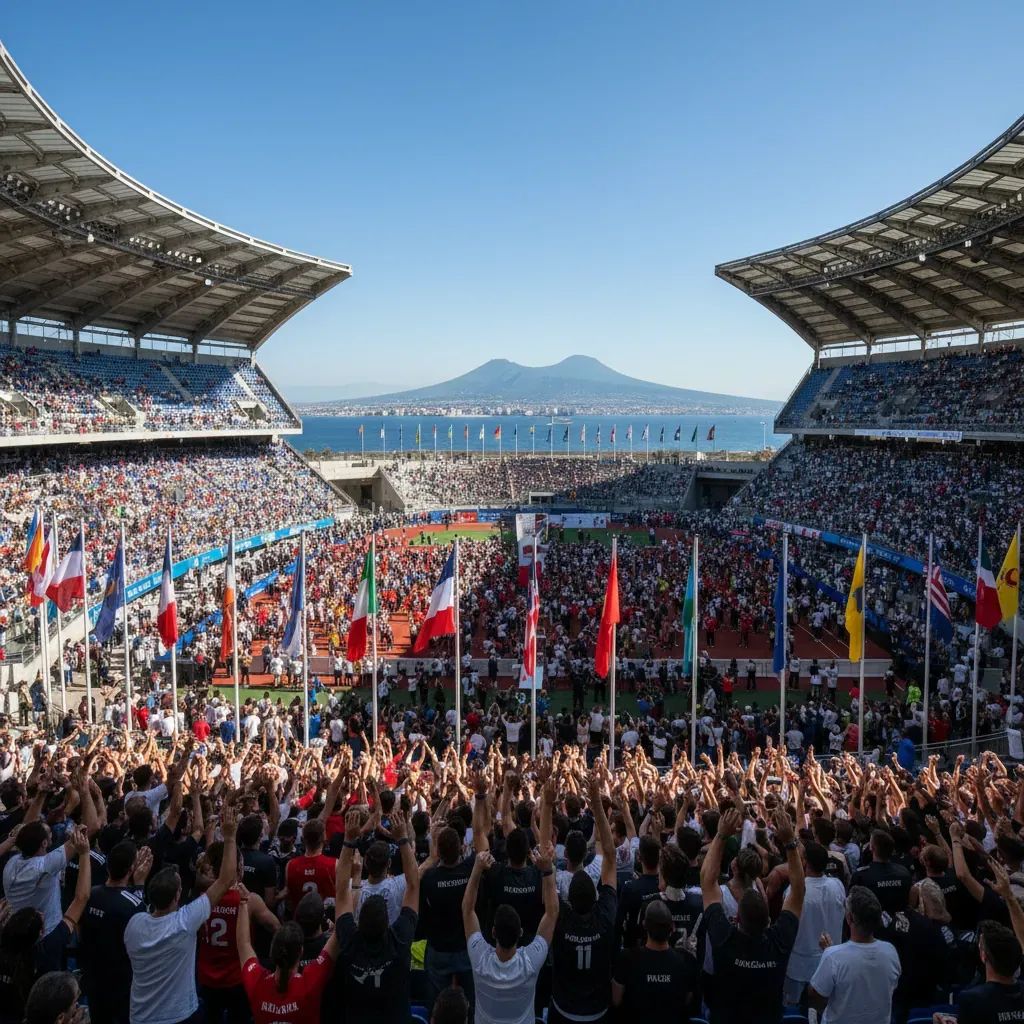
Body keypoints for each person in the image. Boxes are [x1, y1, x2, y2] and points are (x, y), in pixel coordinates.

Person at [124, 804, 238, 1024]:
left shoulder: (134, 924)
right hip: (179, 1015)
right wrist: (230, 837)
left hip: (141, 1016)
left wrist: (138, 882)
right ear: (178, 896)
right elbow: (225, 880)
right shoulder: (185, 921)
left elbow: (137, 901)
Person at [701, 808, 804, 1024]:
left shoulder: (725, 940)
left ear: (737, 920)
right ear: (768, 921)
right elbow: (798, 891)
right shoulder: (779, 942)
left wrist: (721, 835)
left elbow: (707, 882)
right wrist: (790, 843)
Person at [334, 808, 420, 1024]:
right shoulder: (399, 939)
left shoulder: (349, 940)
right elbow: (413, 884)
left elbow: (341, 890)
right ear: (387, 925)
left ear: (358, 921)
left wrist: (348, 841)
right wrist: (402, 839)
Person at [462, 841, 558, 1024]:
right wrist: (547, 870)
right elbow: (552, 913)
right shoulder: (531, 961)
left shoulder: (479, 959)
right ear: (521, 933)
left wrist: (477, 868)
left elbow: (467, 910)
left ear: (493, 932)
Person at [548, 775, 618, 1024]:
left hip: (563, 1009)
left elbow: (547, 867)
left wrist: (547, 806)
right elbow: (608, 854)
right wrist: (598, 803)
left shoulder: (559, 917)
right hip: (598, 1010)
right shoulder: (606, 916)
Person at [236, 886, 338, 1024]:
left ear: (272, 950)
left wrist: (243, 902)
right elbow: (338, 935)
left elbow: (243, 944)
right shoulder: (309, 984)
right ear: (301, 952)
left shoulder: (257, 983)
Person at [78, 841, 153, 1024]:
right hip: (121, 980)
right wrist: (140, 885)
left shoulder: (90, 894)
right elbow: (144, 935)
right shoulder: (133, 904)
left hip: (92, 975)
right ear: (131, 869)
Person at [808, 886, 901, 1024]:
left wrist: (829, 954)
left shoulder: (832, 957)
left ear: (850, 918)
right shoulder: (890, 952)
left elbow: (817, 1001)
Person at [611, 900, 699, 1020]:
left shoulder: (627, 958)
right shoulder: (686, 960)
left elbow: (616, 1000)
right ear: (672, 927)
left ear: (644, 925)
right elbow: (688, 1000)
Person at [783, 842, 846, 1007]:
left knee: (796, 1011)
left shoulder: (793, 891)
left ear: (805, 862)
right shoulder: (837, 886)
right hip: (828, 962)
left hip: (801, 966)